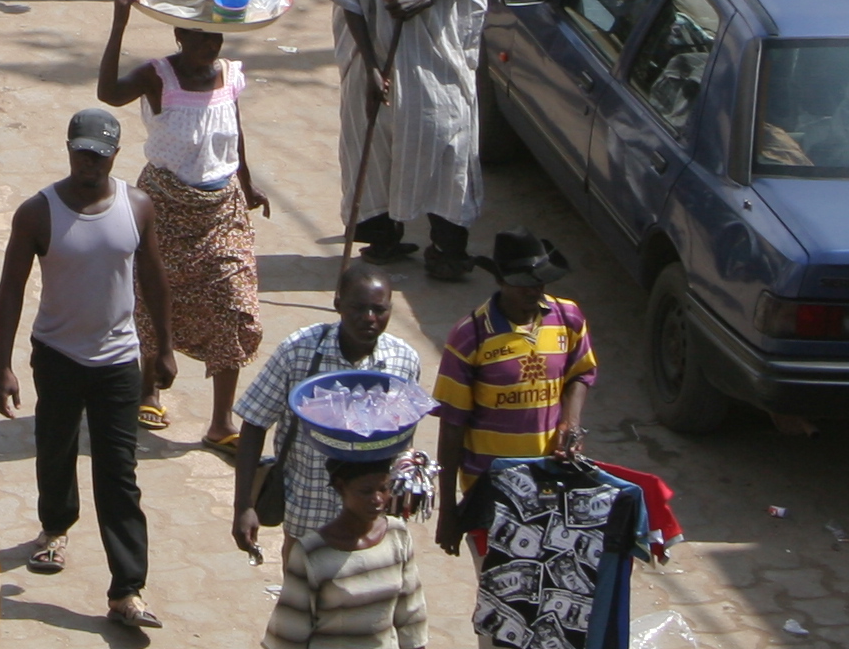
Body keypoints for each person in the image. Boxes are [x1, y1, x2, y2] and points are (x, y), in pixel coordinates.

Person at [0, 109, 177, 633]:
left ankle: (127, 590)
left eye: (99, 155)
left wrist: (163, 349)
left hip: (118, 361)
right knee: (55, 450)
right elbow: (10, 289)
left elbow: (155, 280)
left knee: (119, 476)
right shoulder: (38, 213)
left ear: (115, 155)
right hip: (57, 355)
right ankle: (55, 528)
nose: (89, 163)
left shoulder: (136, 207)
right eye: (81, 153)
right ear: (68, 149)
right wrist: (3, 364)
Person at [313, 0, 482, 274]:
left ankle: (447, 249)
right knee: (374, 139)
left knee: (449, 137)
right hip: (374, 46)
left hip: (434, 46)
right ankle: (383, 239)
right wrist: (369, 66)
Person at [99, 0, 264, 444]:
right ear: (179, 35)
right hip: (165, 204)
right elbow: (108, 93)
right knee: (155, 298)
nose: (210, 45)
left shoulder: (229, 75)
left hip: (221, 208)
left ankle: (221, 421)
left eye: (216, 36)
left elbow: (234, 128)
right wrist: (120, 23)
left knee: (234, 301)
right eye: (200, 36)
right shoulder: (158, 76)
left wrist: (246, 183)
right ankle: (148, 389)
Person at [232, 261, 427, 561]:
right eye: (358, 309)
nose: (369, 319)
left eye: (379, 310)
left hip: (373, 520)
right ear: (338, 304)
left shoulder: (403, 361)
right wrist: (243, 506)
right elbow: (255, 422)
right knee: (304, 602)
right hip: (308, 514)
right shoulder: (299, 352)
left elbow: (403, 437)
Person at [430, 235, 592, 548]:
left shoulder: (568, 317)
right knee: (501, 583)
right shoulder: (470, 336)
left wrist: (570, 424)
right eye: (523, 283)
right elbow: (451, 427)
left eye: (539, 282)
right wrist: (448, 513)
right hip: (491, 488)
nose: (534, 291)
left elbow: (581, 373)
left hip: (550, 478)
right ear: (501, 281)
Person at [268, 456, 430, 647]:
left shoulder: (397, 535)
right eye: (366, 491)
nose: (377, 499)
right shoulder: (312, 553)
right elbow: (289, 632)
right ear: (341, 487)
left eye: (383, 489)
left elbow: (411, 613)